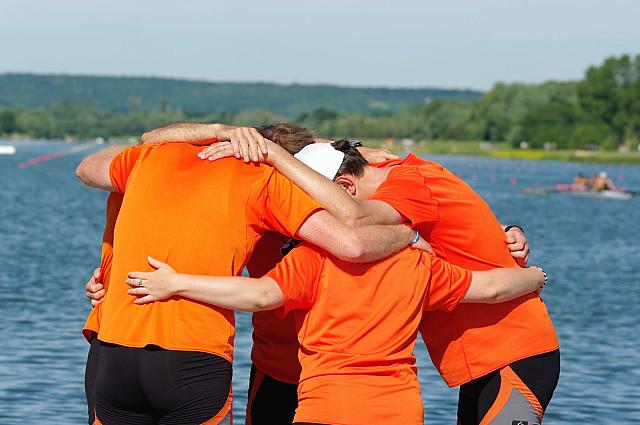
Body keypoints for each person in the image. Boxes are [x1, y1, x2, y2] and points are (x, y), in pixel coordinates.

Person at [75, 123, 423, 425]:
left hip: (115, 350)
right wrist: (410, 232)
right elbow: (353, 245)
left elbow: (91, 166)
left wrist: (215, 131)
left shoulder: (150, 157)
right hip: (194, 354)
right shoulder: (265, 178)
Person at [197, 137, 560, 425]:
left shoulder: (410, 184)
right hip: (478, 353)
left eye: (323, 205)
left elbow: (354, 220)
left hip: (514, 346)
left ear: (345, 186)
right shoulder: (389, 176)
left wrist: (536, 275)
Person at [117, 190, 547, 424]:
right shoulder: (418, 264)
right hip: (398, 410)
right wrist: (535, 277)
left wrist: (175, 284)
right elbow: (490, 288)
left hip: (327, 406)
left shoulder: (312, 260)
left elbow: (258, 296)